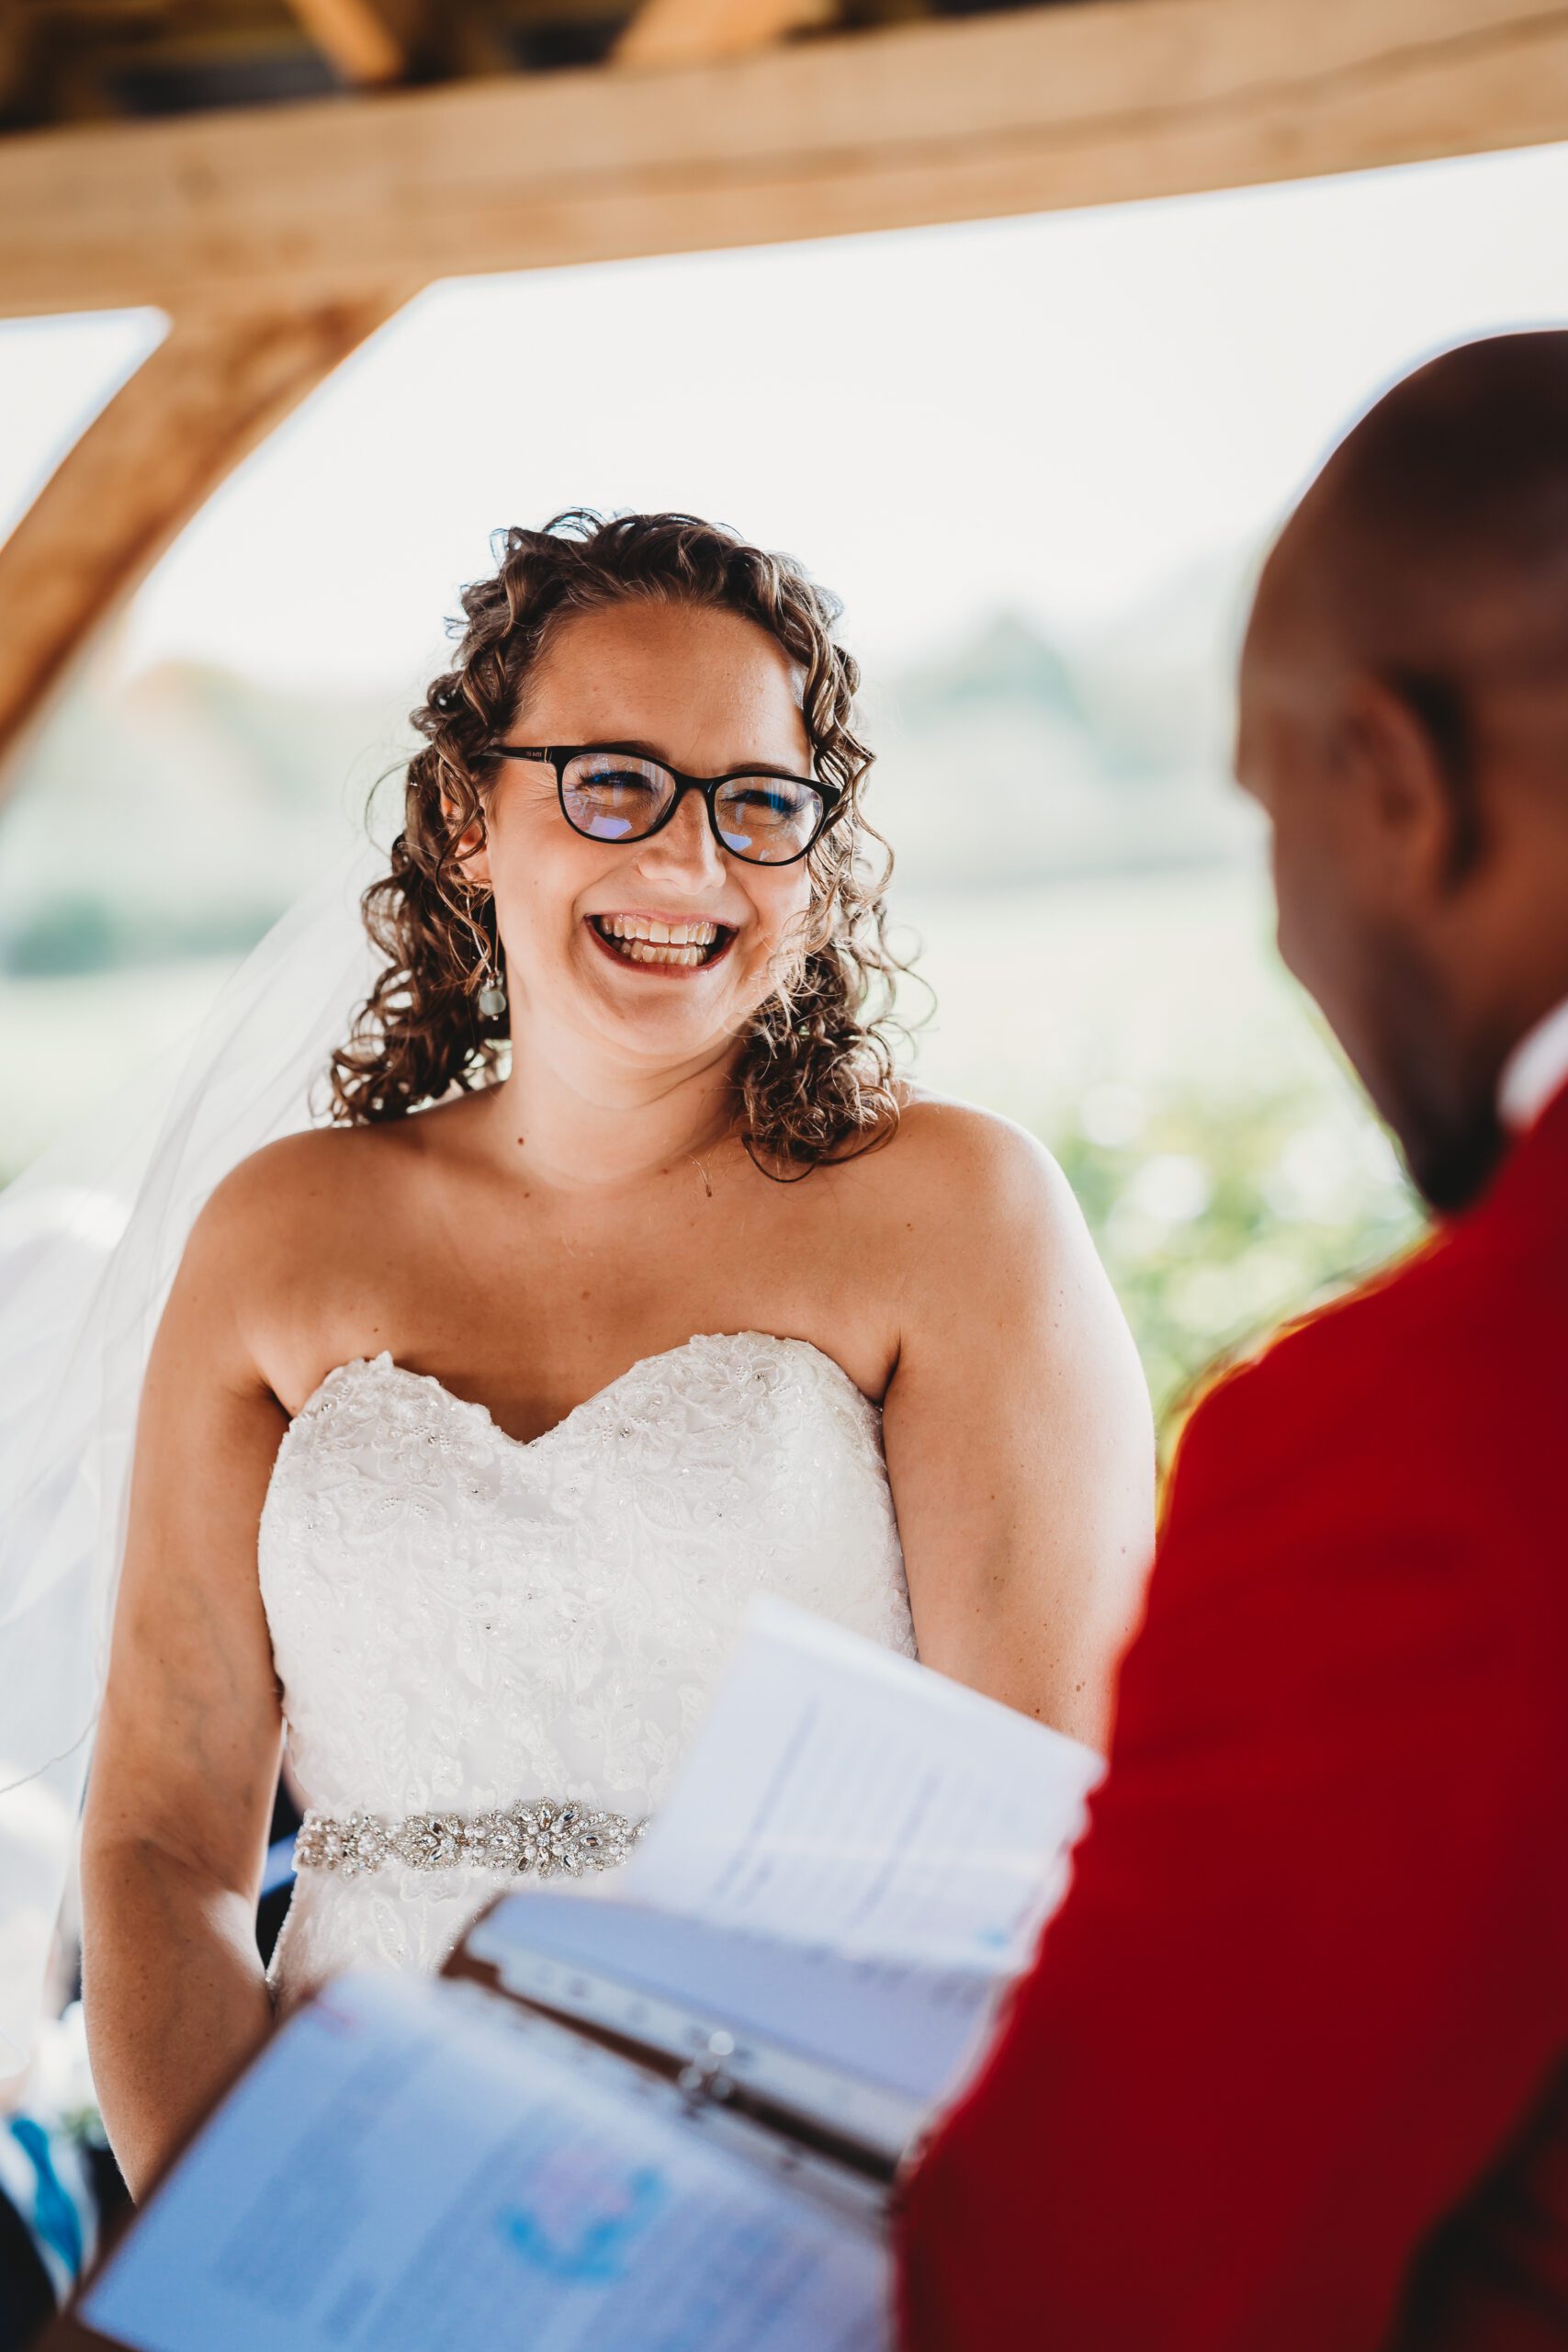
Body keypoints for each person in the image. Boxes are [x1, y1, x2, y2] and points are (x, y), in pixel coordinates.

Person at [73, 511, 1155, 2198]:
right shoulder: (276, 1239)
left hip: (793, 2189)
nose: (685, 863)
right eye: (613, 783)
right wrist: (246, 2244)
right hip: (347, 2189)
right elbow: (159, 1845)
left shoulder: (955, 1214)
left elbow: (1032, 1831)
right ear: (465, 816)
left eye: (758, 802)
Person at [898, 332, 1568, 2350]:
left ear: (1392, 782)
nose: (1285, 933)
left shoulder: (1420, 1434)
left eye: (1270, 821)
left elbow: (1078, 2297)